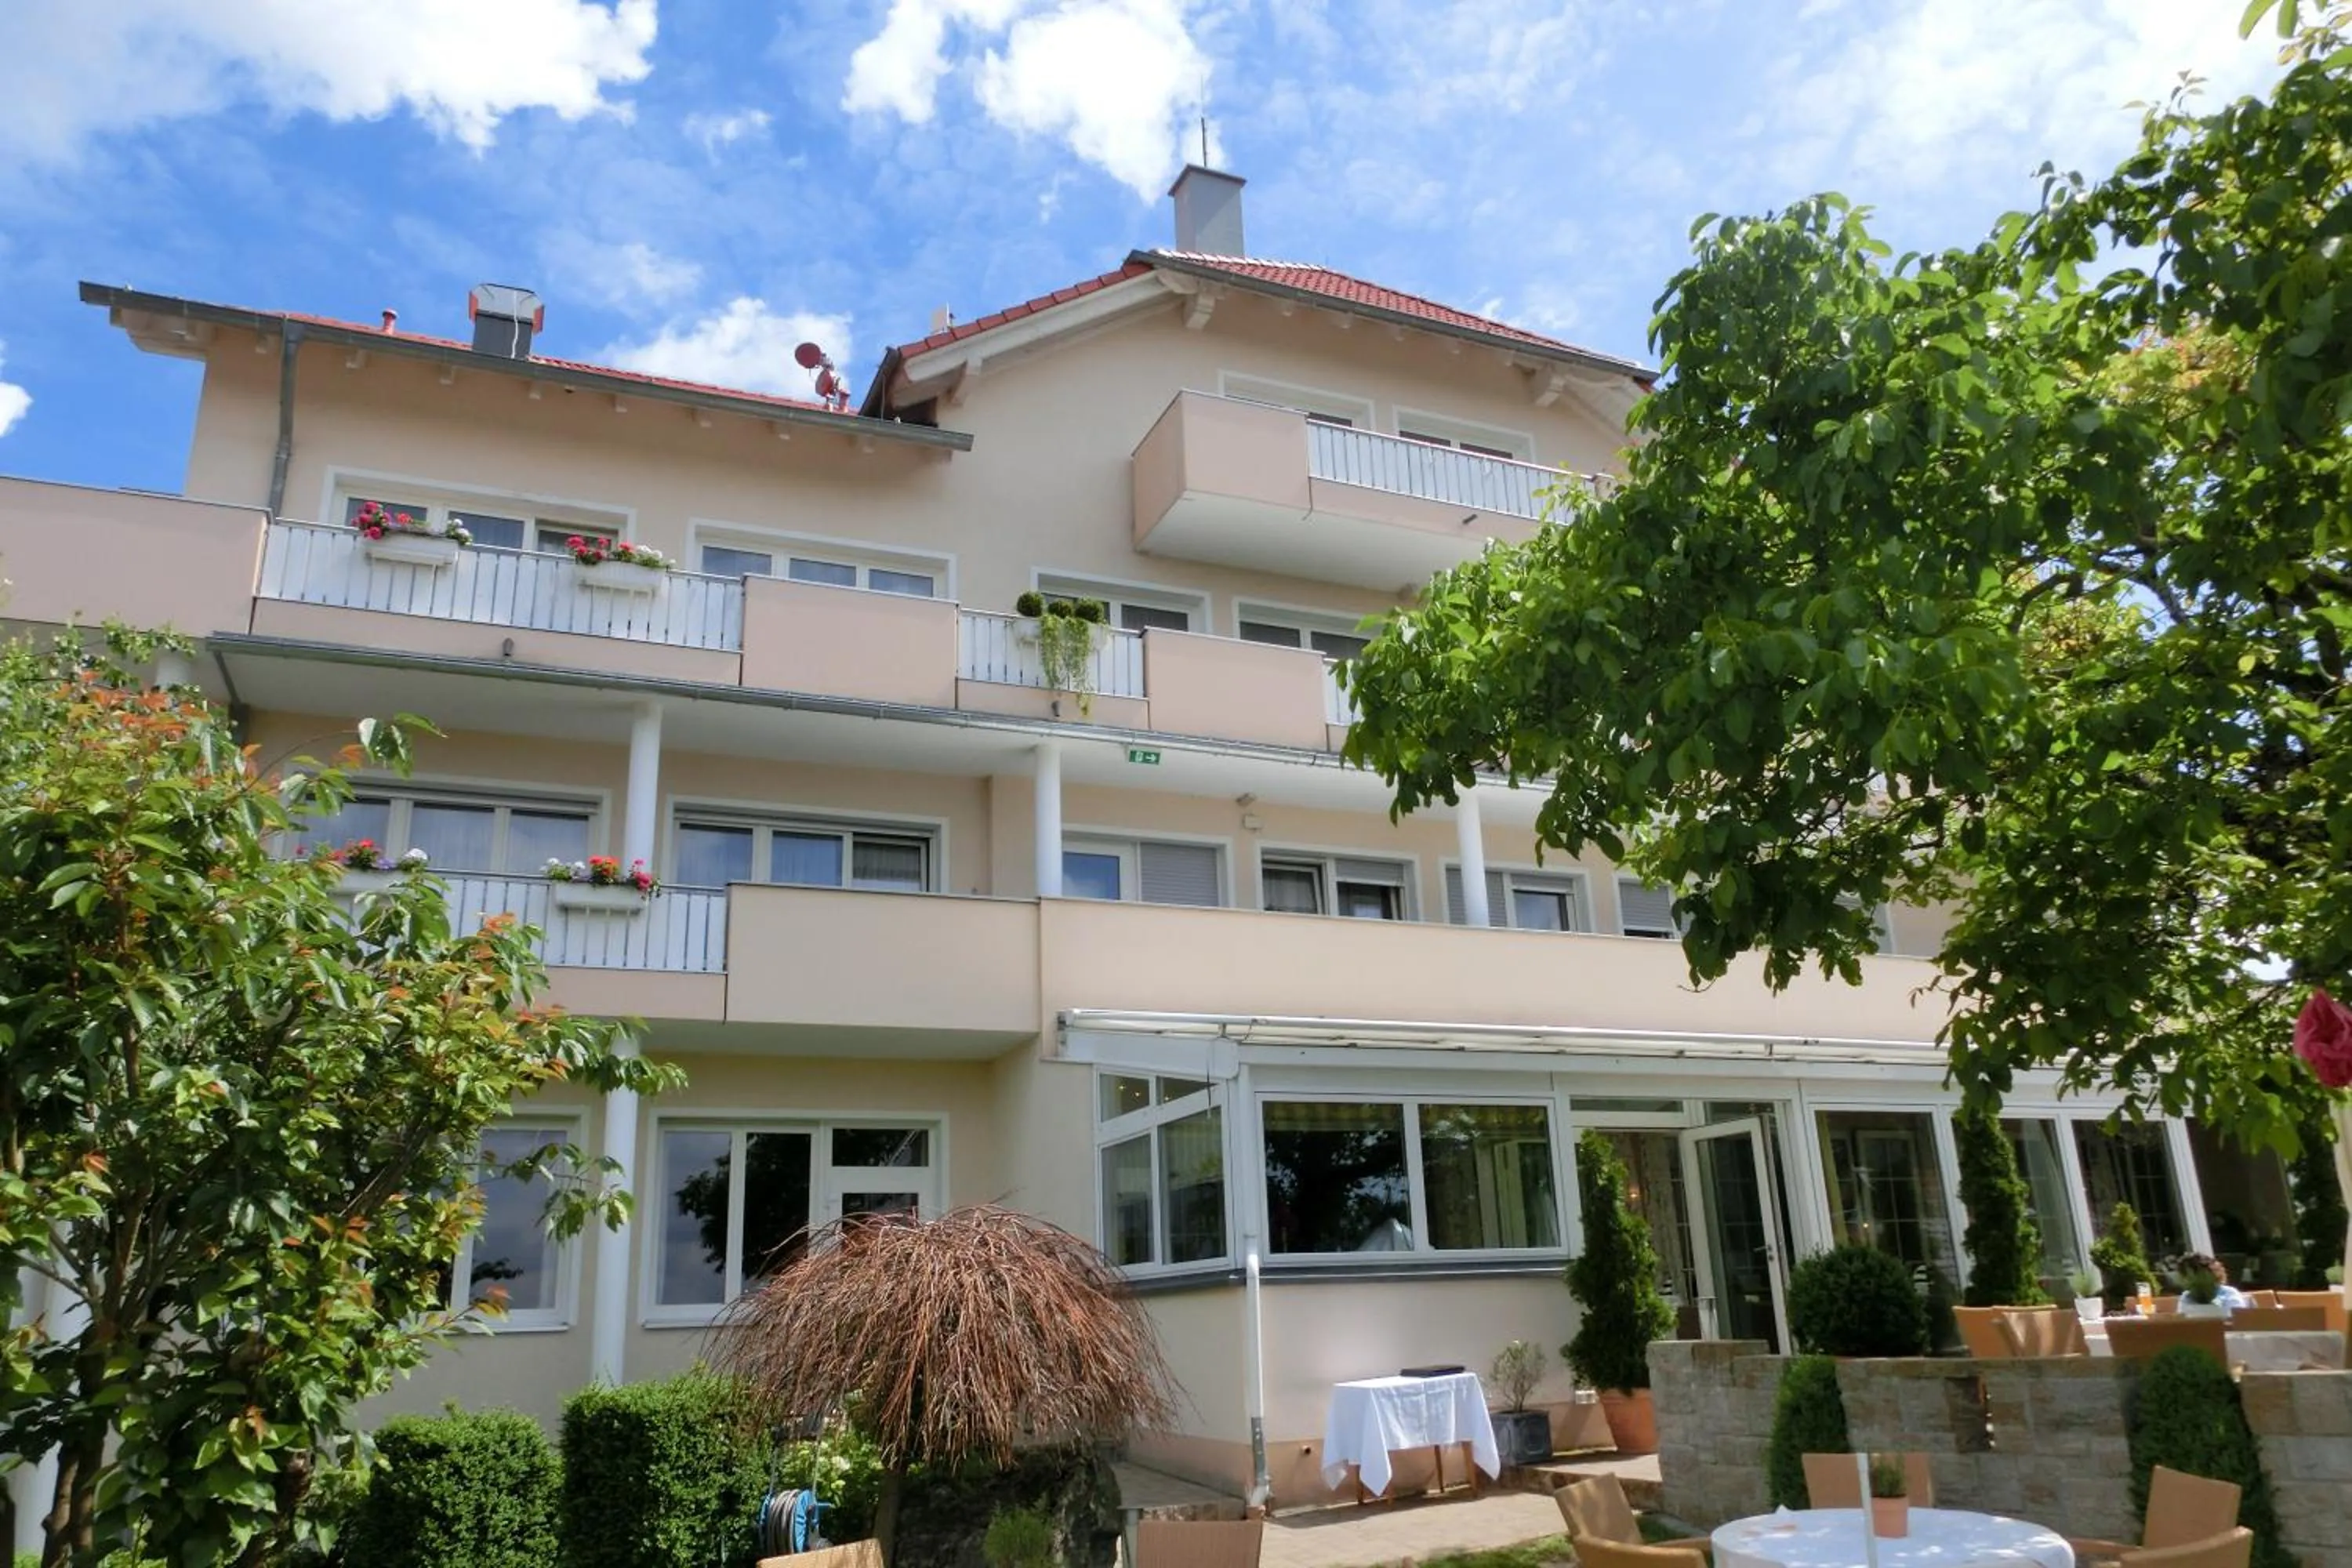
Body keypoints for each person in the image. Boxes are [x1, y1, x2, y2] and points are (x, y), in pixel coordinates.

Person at [2176, 1252, 2252, 1309]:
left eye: (2195, 1271)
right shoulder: (2187, 1297)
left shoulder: (2228, 1293)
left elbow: (2236, 1319)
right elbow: (2185, 1322)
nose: (2188, 1278)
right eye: (2184, 1273)